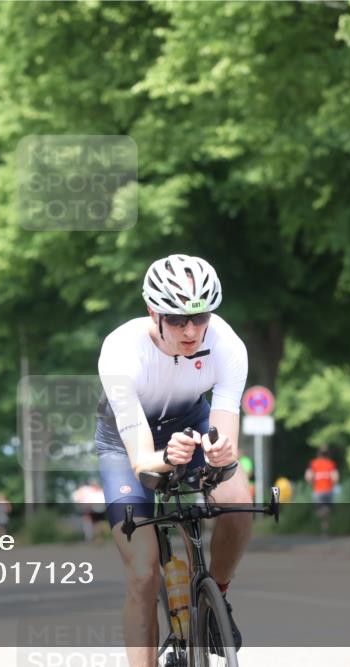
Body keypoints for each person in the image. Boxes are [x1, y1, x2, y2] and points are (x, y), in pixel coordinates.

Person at [95, 254, 250, 666]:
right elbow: (144, 461)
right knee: (144, 573)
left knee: (238, 500)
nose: (191, 331)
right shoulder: (120, 352)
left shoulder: (227, 344)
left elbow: (225, 433)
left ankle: (216, 595)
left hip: (191, 422)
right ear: (153, 312)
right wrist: (166, 457)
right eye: (178, 319)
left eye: (200, 318)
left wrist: (220, 452)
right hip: (127, 441)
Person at [304, 446, 339, 536]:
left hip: (318, 491)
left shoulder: (314, 463)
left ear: (318, 454)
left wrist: (312, 482)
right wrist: (332, 483)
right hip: (328, 490)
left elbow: (308, 477)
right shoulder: (331, 464)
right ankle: (325, 529)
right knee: (328, 511)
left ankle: (323, 528)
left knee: (322, 510)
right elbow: (335, 477)